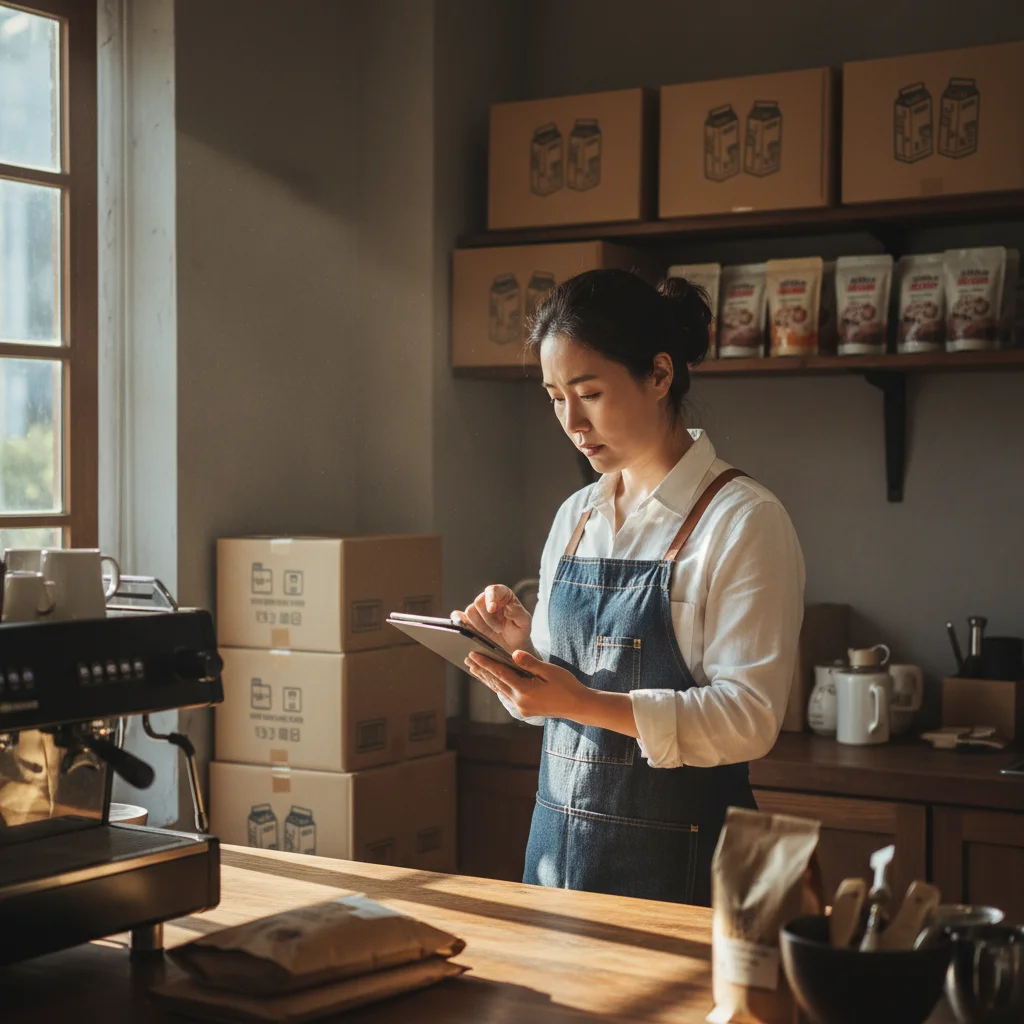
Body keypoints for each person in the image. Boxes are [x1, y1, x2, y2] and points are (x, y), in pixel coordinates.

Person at [455, 268, 805, 907]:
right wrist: (525, 643)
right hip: (557, 859)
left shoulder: (743, 520)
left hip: (682, 869)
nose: (570, 421)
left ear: (661, 375)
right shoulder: (576, 516)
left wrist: (581, 702)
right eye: (554, 396)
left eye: (588, 392)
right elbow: (573, 691)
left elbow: (749, 719)